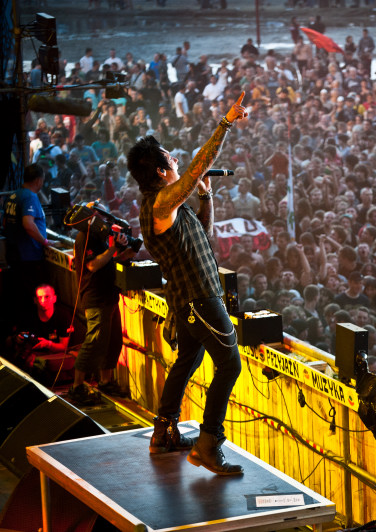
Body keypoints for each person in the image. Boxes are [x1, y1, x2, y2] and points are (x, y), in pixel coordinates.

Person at [128, 92, 248, 475]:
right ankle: (209, 443)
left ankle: (164, 431)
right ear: (162, 171)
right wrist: (225, 123)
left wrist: (205, 197)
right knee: (229, 364)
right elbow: (197, 165)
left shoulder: (168, 207)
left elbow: (202, 236)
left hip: (188, 299)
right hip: (199, 298)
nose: (176, 159)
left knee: (188, 359)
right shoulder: (160, 204)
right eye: (169, 157)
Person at [69, 221, 136, 405]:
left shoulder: (100, 237)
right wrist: (114, 248)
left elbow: (108, 262)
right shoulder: (85, 237)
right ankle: (77, 386)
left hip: (109, 295)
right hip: (96, 297)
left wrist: (126, 254)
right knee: (94, 342)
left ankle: (106, 381)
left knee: (113, 341)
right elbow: (93, 265)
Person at [3, 164, 52, 313]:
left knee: (18, 296)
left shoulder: (13, 195)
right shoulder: (30, 197)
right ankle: (29, 332)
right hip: (28, 257)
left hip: (14, 254)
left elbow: (5, 222)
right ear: (38, 180)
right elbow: (28, 224)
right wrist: (45, 241)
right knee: (30, 299)